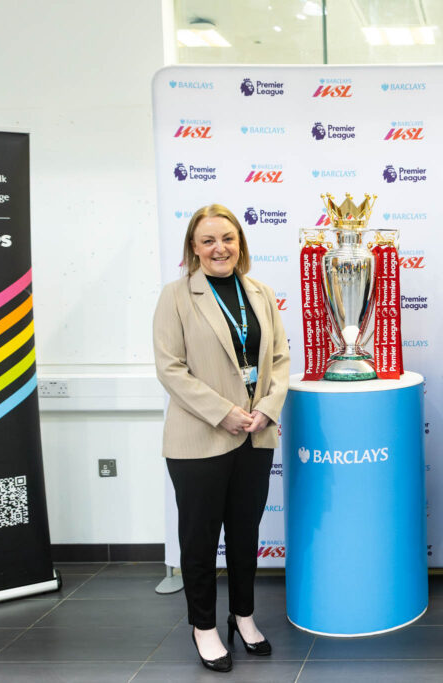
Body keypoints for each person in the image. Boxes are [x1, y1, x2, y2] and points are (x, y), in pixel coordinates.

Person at [153, 204, 289, 673]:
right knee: (199, 538)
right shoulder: (176, 296)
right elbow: (170, 368)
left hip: (254, 435)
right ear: (194, 247)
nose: (220, 248)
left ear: (240, 244)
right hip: (199, 439)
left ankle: (243, 616)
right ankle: (204, 626)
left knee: (246, 534)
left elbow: (280, 359)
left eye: (228, 239)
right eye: (209, 240)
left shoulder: (260, 293)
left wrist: (266, 408)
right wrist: (222, 412)